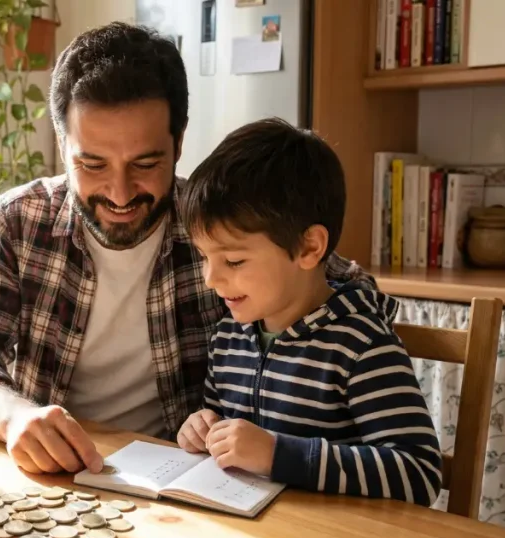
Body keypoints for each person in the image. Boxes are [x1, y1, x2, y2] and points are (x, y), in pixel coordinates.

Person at [0, 22, 375, 476]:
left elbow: (348, 286)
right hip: (56, 479)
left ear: (179, 143)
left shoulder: (216, 226)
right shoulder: (17, 222)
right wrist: (14, 417)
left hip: (184, 482)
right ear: (61, 144)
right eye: (92, 164)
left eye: (145, 164)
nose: (121, 193)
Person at [175, 118, 442, 506]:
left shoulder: (361, 346)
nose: (210, 279)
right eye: (204, 258)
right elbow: (224, 428)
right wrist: (202, 428)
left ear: (309, 248)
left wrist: (277, 455)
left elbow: (418, 473)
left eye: (232, 261)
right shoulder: (229, 336)